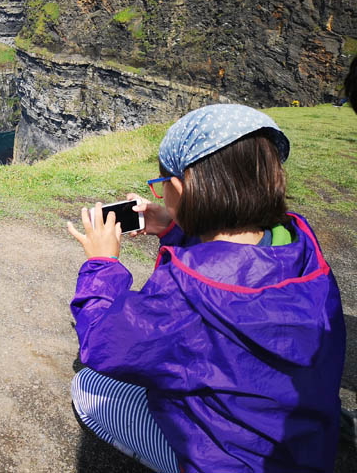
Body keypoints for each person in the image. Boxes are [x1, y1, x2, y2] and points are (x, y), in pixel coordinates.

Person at [66, 104, 345, 473]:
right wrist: (175, 227)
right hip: (305, 446)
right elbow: (238, 255)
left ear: (178, 188)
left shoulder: (189, 290)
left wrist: (103, 264)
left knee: (89, 388)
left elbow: (106, 345)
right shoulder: (302, 249)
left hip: (231, 462)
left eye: (163, 186)